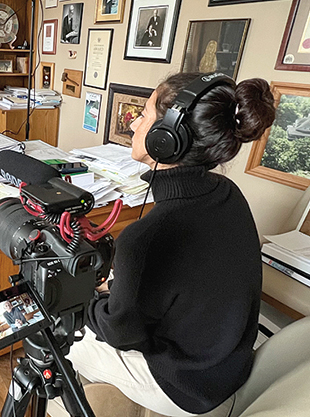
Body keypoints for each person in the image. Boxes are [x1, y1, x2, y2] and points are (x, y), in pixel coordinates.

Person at [65, 72, 276, 416]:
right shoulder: (229, 193)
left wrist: (91, 298)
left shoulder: (147, 237)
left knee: (61, 332)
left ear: (167, 138)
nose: (134, 124)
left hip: (186, 387)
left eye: (144, 114)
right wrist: (119, 289)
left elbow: (120, 333)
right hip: (227, 365)